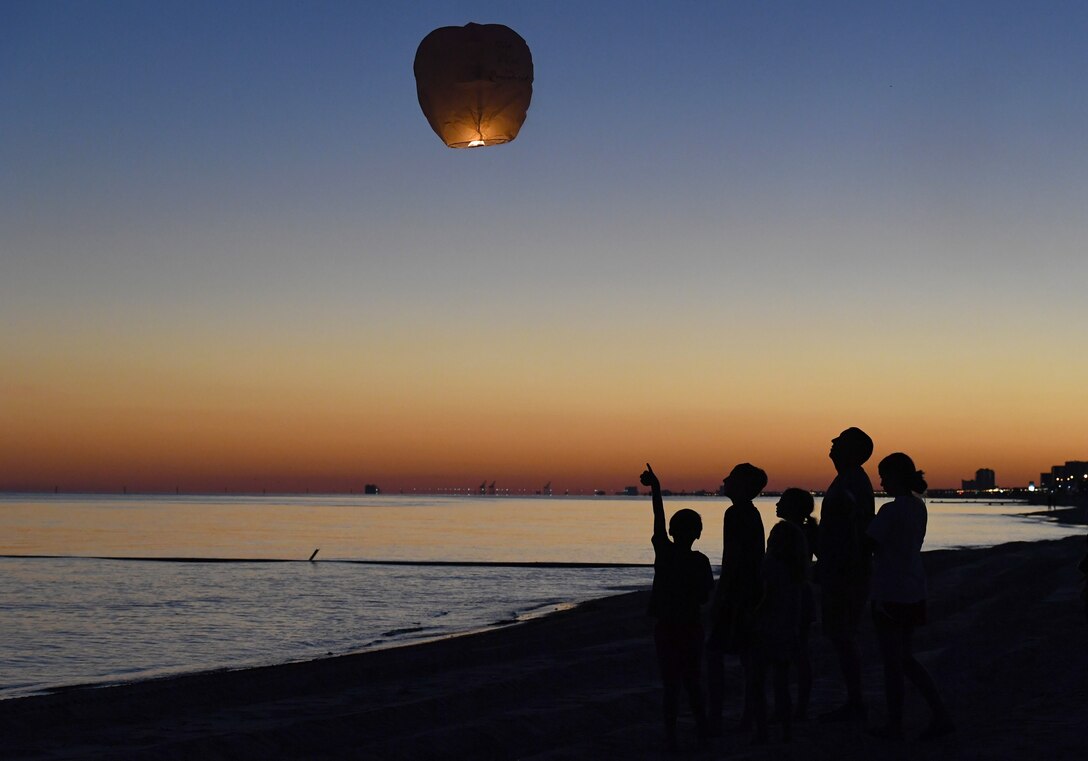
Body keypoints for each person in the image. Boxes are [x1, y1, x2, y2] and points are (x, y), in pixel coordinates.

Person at [867, 452, 953, 740]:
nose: (881, 482)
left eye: (884, 476)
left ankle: (896, 723)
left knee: (894, 663)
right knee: (905, 659)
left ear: (897, 477)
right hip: (914, 587)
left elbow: (868, 544)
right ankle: (937, 712)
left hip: (891, 590)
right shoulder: (918, 507)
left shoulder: (891, 511)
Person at [641, 464, 715, 750]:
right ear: (698, 534)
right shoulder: (701, 561)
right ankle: (701, 728)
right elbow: (705, 596)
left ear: (672, 531)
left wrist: (657, 489)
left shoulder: (665, 550)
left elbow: (658, 518)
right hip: (690, 626)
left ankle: (672, 734)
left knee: (671, 684)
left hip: (669, 627)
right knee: (692, 681)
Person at [816, 427, 875, 722]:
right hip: (842, 570)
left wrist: (837, 567)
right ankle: (854, 700)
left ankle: (855, 702)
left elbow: (852, 531)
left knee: (844, 636)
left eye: (838, 441)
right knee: (842, 636)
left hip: (846, 574)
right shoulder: (848, 479)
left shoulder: (852, 481)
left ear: (851, 450)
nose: (832, 442)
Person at [705, 463, 767, 734]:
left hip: (739, 594)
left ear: (741, 485)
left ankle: (718, 716)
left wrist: (721, 596)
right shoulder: (751, 514)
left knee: (717, 654)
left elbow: (733, 559)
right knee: (747, 658)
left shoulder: (736, 514)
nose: (724, 480)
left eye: (730, 478)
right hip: (751, 591)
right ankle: (747, 716)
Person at [750, 520, 808, 743]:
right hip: (787, 631)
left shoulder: (771, 566)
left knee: (758, 682)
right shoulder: (798, 572)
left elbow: (766, 597)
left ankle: (762, 731)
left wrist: (752, 615)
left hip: (766, 630)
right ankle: (786, 731)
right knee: (781, 684)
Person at [775, 488, 818, 719]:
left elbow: (776, 565)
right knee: (801, 654)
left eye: (781, 500)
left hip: (789, 596)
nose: (776, 504)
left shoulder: (785, 532)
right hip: (804, 594)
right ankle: (800, 707)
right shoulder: (807, 531)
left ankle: (787, 708)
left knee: (785, 654)